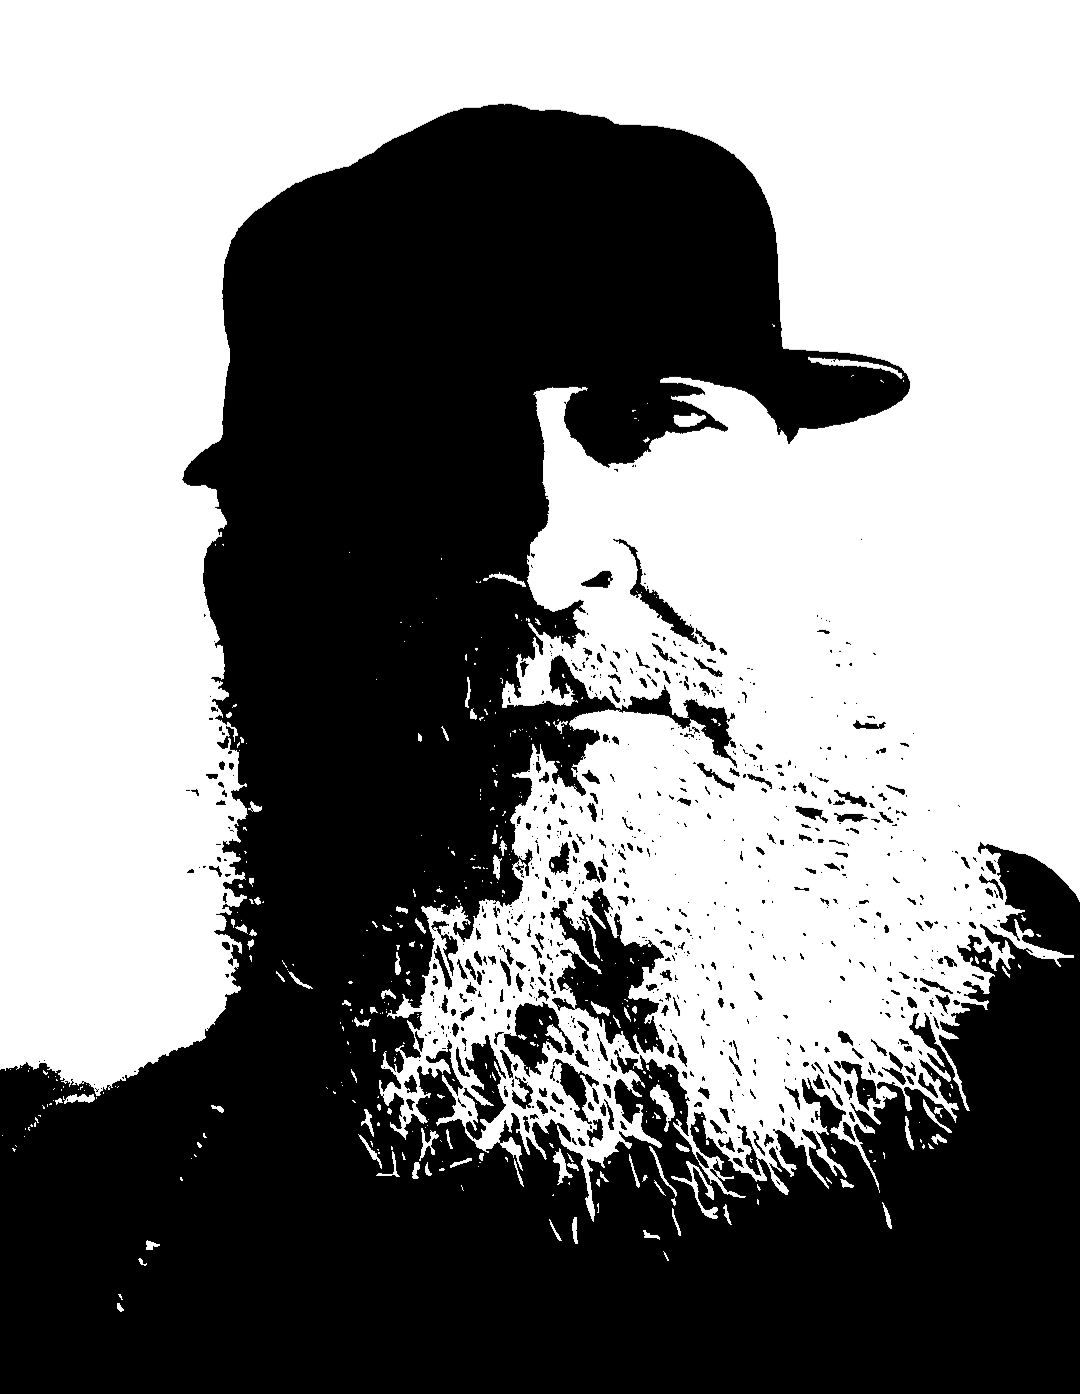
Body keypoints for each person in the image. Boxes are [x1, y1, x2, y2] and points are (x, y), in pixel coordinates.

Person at [3, 105, 1075, 1318]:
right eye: (424, 453)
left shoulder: (1054, 1053)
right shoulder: (88, 1246)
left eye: (652, 422)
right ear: (251, 602)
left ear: (805, 532)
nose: (553, 562)